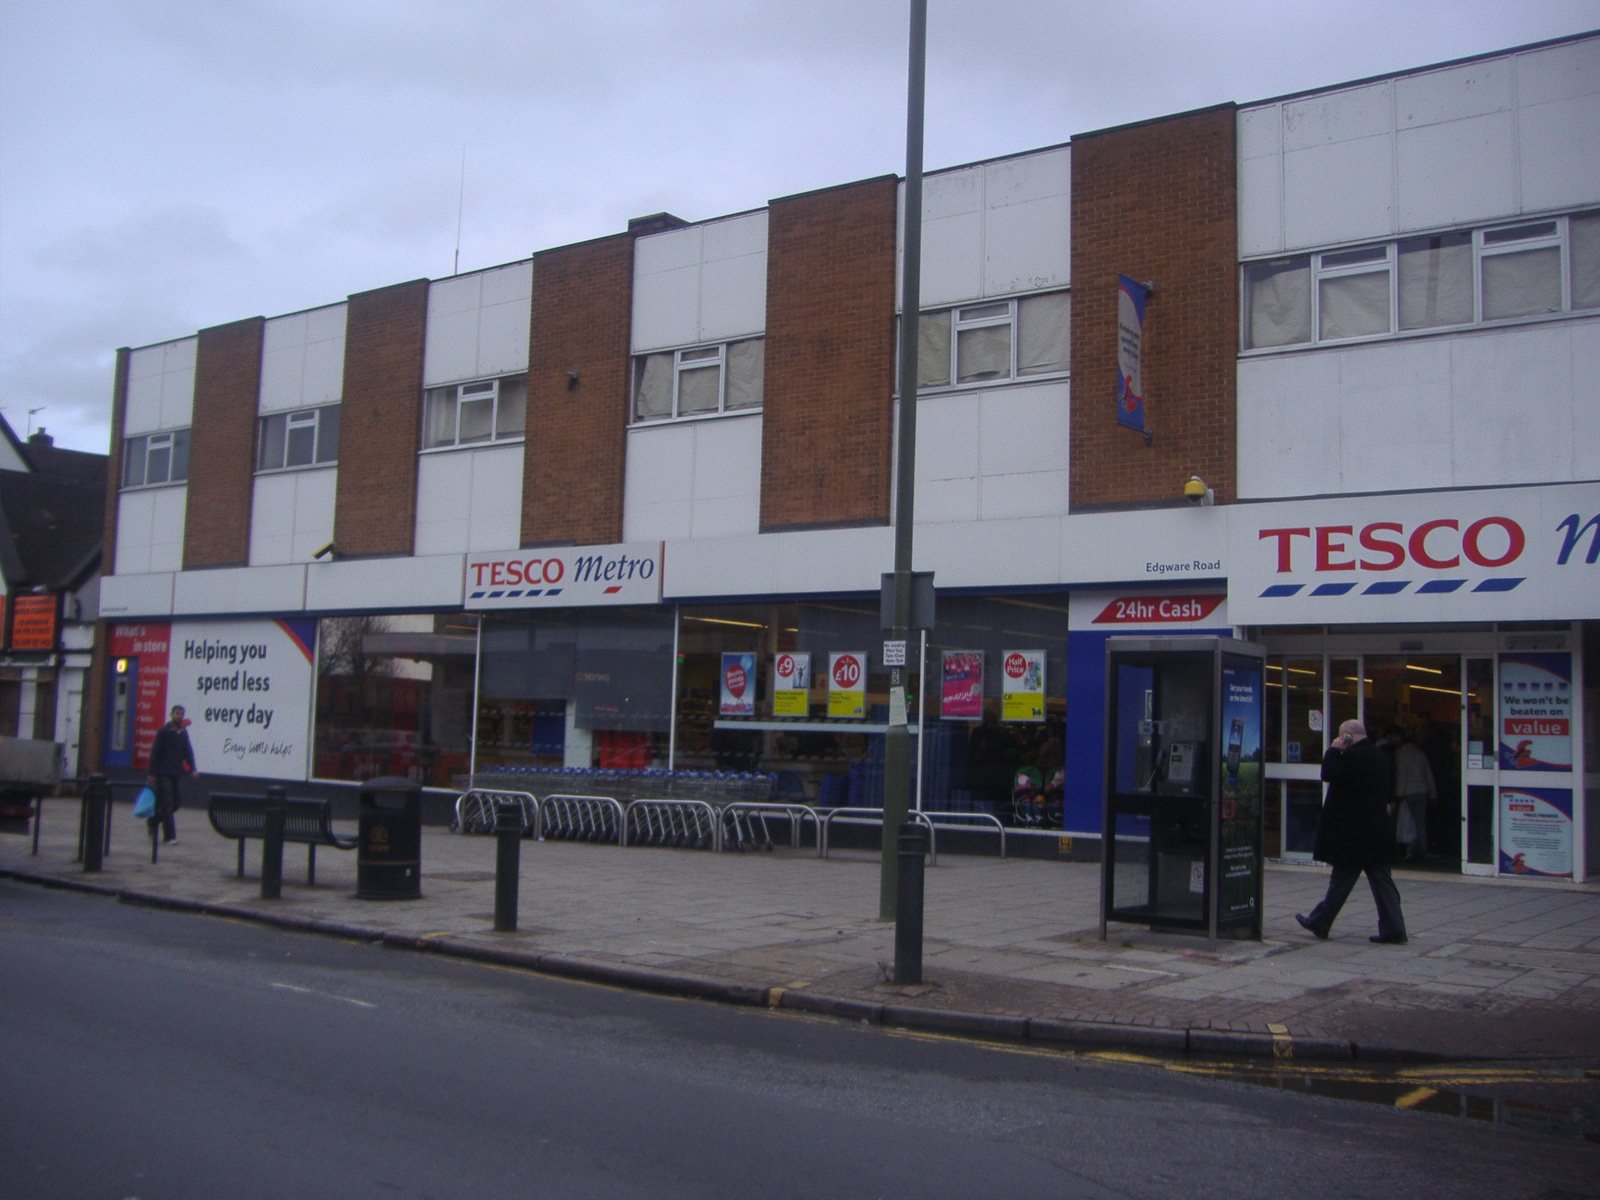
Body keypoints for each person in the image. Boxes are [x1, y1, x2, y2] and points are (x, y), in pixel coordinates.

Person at [1295, 719, 1408, 944]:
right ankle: (1394, 927)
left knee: (1341, 880)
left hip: (1353, 834)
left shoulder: (1353, 757)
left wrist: (1334, 750)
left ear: (1347, 736)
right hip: (1376, 831)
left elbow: (1329, 774)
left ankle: (1320, 921)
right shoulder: (1380, 756)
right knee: (1381, 881)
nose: (1338, 740)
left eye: (1340, 736)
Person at [146, 705, 197, 845]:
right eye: (176, 713)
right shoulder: (164, 731)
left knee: (176, 804)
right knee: (167, 804)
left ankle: (153, 821)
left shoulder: (182, 732)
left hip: (176, 773)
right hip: (163, 773)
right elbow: (155, 752)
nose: (178, 716)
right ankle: (169, 837)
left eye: (181, 714)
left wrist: (193, 768)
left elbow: (188, 751)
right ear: (171, 714)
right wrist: (151, 772)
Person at [1391, 726, 1436, 862]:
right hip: (1422, 790)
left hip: (1408, 792)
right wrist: (1433, 794)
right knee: (1420, 822)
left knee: (1406, 822)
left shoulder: (1400, 754)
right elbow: (1428, 774)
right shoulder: (1420, 753)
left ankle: (1410, 850)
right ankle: (1423, 849)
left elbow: (1401, 774)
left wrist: (1400, 793)